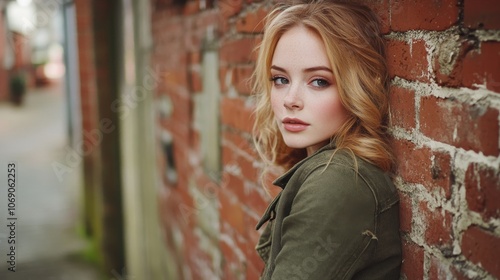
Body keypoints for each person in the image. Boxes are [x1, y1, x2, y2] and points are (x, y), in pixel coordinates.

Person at [252, 1, 402, 279]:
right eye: (280, 79)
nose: (290, 100)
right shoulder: (325, 169)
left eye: (319, 81)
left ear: (357, 87)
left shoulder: (340, 182)